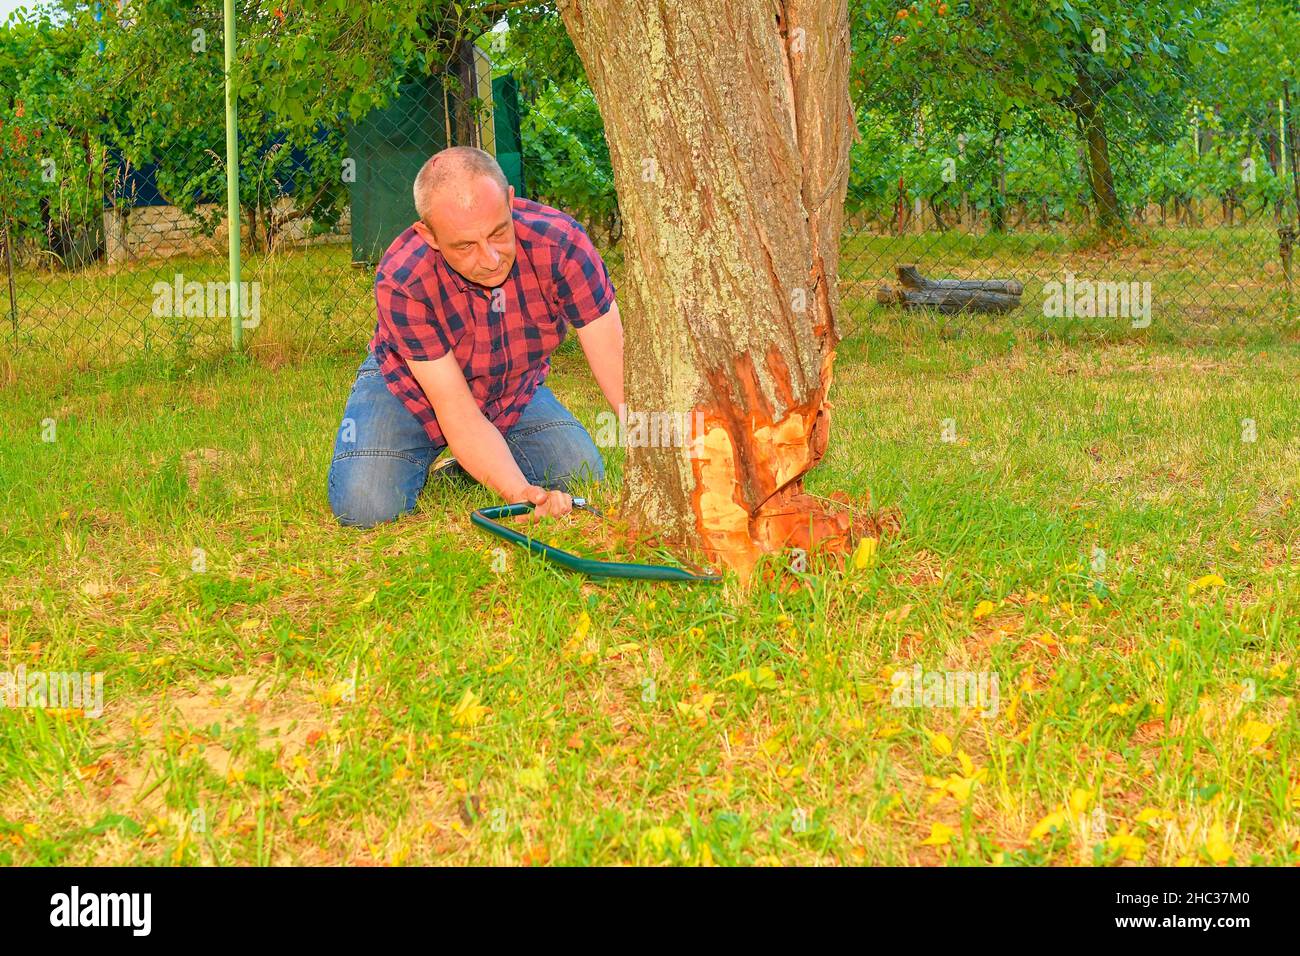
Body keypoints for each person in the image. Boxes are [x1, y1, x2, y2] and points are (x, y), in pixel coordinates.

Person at [328, 146, 624, 528]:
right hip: (411, 391)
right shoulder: (403, 278)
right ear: (429, 234)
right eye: (465, 245)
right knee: (366, 506)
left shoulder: (561, 244)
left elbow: (616, 362)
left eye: (499, 232)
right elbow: (457, 410)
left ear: (510, 201)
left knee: (580, 472)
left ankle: (470, 466)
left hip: (511, 389)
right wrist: (520, 495)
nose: (490, 258)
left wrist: (666, 445)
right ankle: (452, 458)